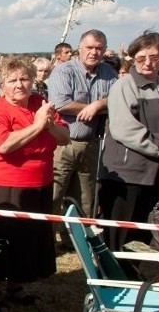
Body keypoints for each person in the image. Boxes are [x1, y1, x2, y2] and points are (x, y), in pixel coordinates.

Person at [0, 56, 69, 312]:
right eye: (12, 80)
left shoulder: (41, 104)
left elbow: (64, 138)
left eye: (24, 78)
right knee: (2, 238)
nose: (19, 85)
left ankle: (15, 286)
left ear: (33, 81)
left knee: (29, 239)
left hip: (40, 184)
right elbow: (4, 145)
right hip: (4, 187)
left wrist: (49, 124)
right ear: (2, 85)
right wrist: (38, 124)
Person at [98, 32, 159, 257]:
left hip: (158, 171)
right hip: (128, 174)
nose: (147, 63)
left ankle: (134, 278)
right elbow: (125, 128)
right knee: (119, 237)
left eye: (154, 57)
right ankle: (112, 282)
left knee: (141, 233)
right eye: (141, 58)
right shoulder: (125, 86)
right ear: (132, 59)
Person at [47, 30, 116, 228]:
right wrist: (95, 107)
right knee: (55, 194)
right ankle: (49, 242)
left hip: (91, 144)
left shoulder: (108, 73)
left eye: (99, 48)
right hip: (63, 144)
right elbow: (60, 103)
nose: (94, 52)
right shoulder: (64, 71)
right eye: (90, 47)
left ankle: (77, 241)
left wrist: (98, 104)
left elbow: (118, 99)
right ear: (80, 48)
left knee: (86, 198)